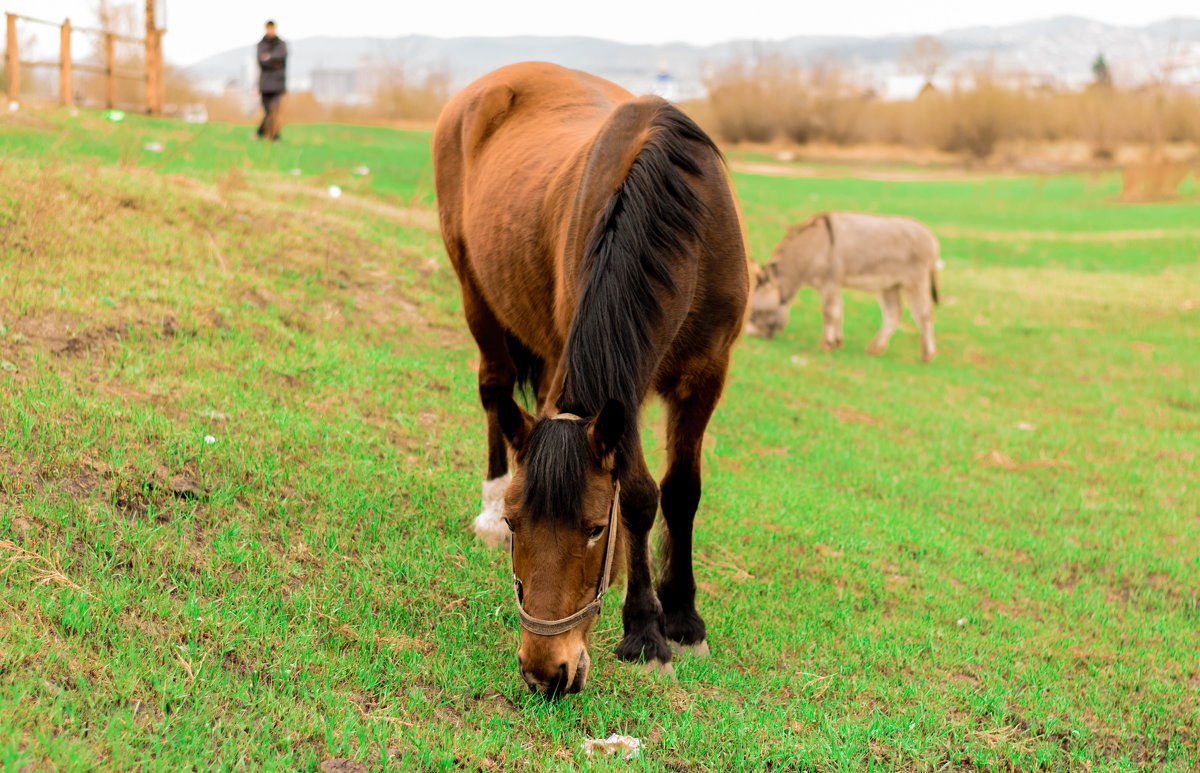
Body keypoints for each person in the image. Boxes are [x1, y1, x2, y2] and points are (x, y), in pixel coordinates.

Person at [256, 20, 287, 141]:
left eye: (272, 28)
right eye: (268, 28)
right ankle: (263, 133)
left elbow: (282, 56)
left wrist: (269, 57)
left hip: (277, 84)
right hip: (264, 84)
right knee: (268, 111)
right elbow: (261, 61)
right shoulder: (261, 44)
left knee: (273, 110)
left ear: (275, 29)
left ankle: (273, 136)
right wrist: (275, 61)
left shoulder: (281, 44)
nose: (270, 31)